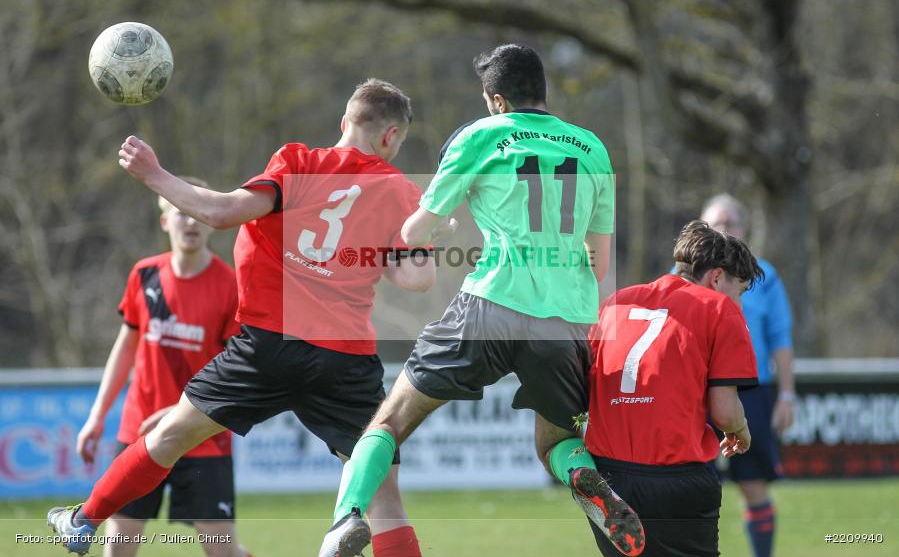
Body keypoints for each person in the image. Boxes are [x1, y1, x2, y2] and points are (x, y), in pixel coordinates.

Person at [48, 79, 434, 557]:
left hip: (267, 346)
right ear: (392, 137)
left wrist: (154, 174)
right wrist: (425, 228)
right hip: (345, 357)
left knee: (167, 437)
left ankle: (83, 521)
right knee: (385, 503)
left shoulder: (298, 162)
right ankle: (345, 523)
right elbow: (416, 279)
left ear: (344, 122)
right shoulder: (399, 190)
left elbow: (223, 211)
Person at [320, 44, 644, 557]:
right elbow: (599, 264)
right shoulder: (592, 148)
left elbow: (411, 231)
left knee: (389, 422)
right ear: (543, 92)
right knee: (555, 443)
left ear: (496, 99)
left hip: (491, 304)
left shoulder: (481, 135)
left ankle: (347, 518)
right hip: (566, 320)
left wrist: (442, 228)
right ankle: (585, 478)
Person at [75, 177, 246, 557]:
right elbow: (126, 347)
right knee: (118, 547)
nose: (191, 223)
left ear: (210, 221)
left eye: (198, 215)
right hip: (139, 431)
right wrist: (97, 415)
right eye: (180, 214)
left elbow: (236, 369)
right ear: (164, 221)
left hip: (202, 433)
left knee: (223, 551)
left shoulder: (231, 285)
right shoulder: (143, 275)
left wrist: (179, 411)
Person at [586, 220, 763, 556]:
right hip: (676, 477)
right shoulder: (719, 309)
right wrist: (740, 429)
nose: (738, 304)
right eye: (738, 291)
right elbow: (725, 413)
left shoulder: (613, 304)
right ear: (716, 277)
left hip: (607, 479)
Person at [700, 194, 796, 557]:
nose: (723, 230)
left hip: (751, 392)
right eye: (716, 223)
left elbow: (781, 339)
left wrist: (787, 396)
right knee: (691, 483)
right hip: (694, 392)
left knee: (753, 483)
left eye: (731, 223)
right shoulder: (680, 277)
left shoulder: (765, 277)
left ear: (743, 228)